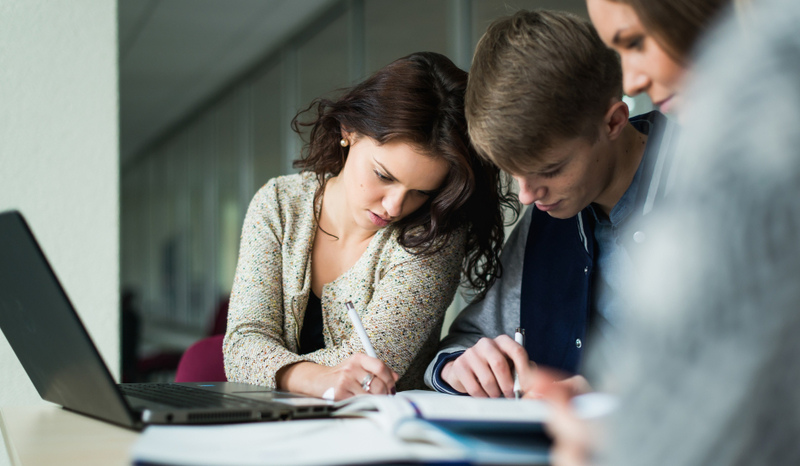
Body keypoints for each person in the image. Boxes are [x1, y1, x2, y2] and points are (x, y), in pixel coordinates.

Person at [223, 52, 516, 401]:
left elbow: (372, 366)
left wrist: (273, 370)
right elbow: (241, 345)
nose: (394, 207)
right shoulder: (279, 203)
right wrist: (313, 379)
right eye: (383, 175)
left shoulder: (436, 231)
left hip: (380, 435)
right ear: (349, 131)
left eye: (421, 192)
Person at [424, 9, 679, 398]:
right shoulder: (548, 214)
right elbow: (469, 337)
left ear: (613, 122)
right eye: (513, 172)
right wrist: (463, 365)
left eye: (550, 169)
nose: (527, 195)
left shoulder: (715, 181)